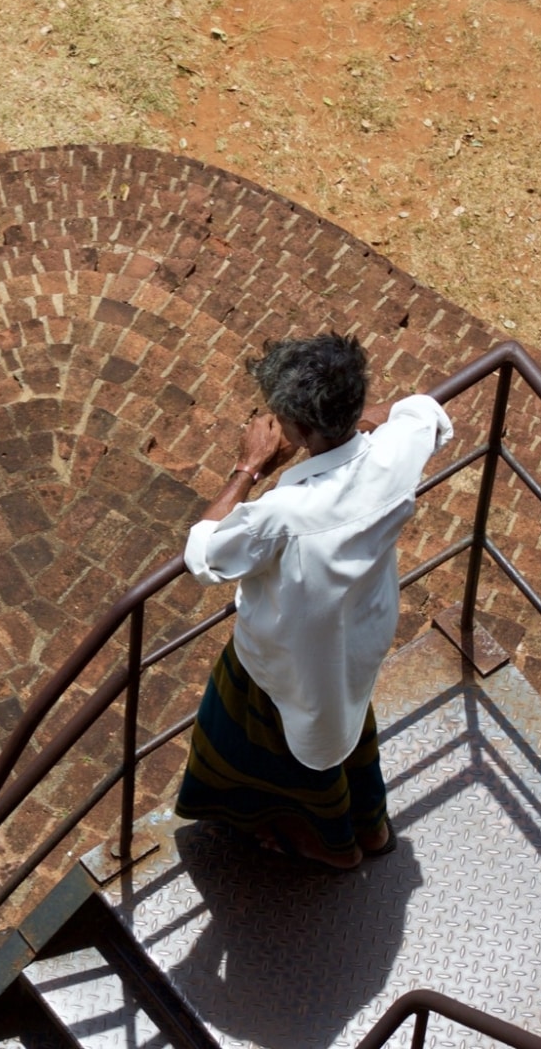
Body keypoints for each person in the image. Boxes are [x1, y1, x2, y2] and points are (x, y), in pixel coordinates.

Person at [174, 333, 453, 870]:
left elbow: (203, 555)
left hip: (286, 668)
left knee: (293, 752)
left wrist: (249, 466)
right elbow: (422, 411)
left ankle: (333, 847)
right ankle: (369, 831)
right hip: (360, 641)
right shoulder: (396, 455)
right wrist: (351, 421)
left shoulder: (281, 514)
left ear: (299, 430)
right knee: (345, 731)